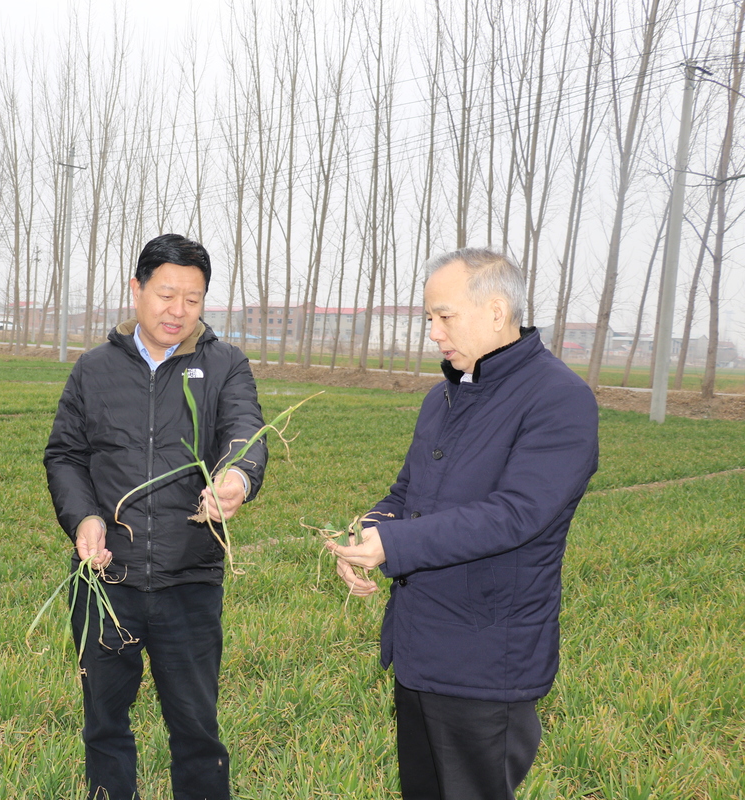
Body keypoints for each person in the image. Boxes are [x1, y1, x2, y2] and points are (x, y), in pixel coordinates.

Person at [327, 248, 599, 800]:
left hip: (486, 660)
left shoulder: (559, 400)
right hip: (421, 649)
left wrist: (394, 545)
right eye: (429, 317)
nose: (433, 332)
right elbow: (407, 492)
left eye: (444, 316)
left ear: (496, 311)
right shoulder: (445, 396)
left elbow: (516, 514)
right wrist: (371, 532)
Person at [43, 233, 267, 800]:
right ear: (137, 290)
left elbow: (244, 431)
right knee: (105, 723)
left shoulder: (224, 364)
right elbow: (65, 455)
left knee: (195, 727)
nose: (178, 311)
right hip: (106, 580)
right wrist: (84, 520)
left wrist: (237, 477)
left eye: (193, 299)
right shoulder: (93, 370)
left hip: (188, 578)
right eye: (167, 295)